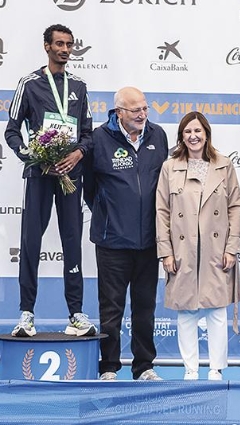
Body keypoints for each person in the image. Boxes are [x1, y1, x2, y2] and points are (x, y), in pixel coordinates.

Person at [4, 24, 96, 337]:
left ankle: (77, 313)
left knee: (73, 241)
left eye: (69, 45)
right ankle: (26, 313)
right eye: (59, 44)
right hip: (39, 173)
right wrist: (32, 155)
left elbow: (87, 134)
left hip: (71, 174)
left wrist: (77, 155)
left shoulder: (80, 86)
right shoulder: (29, 83)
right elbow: (12, 131)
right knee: (31, 242)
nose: (65, 50)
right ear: (46, 46)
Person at [83, 87, 168, 381]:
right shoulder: (98, 139)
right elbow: (90, 188)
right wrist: (110, 216)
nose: (143, 115)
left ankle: (144, 366)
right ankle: (108, 367)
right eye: (136, 110)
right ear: (119, 112)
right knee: (111, 309)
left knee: (145, 308)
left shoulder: (158, 135)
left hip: (149, 241)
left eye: (145, 109)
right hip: (112, 241)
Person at [156, 112, 240, 380]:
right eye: (187, 132)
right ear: (181, 136)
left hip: (216, 250)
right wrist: (165, 252)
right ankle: (190, 369)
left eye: (198, 131)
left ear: (206, 133)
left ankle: (215, 368)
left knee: (217, 311)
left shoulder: (223, 164)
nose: (193, 136)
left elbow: (235, 206)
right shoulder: (169, 167)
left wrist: (232, 247)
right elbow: (162, 210)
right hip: (183, 250)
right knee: (187, 312)